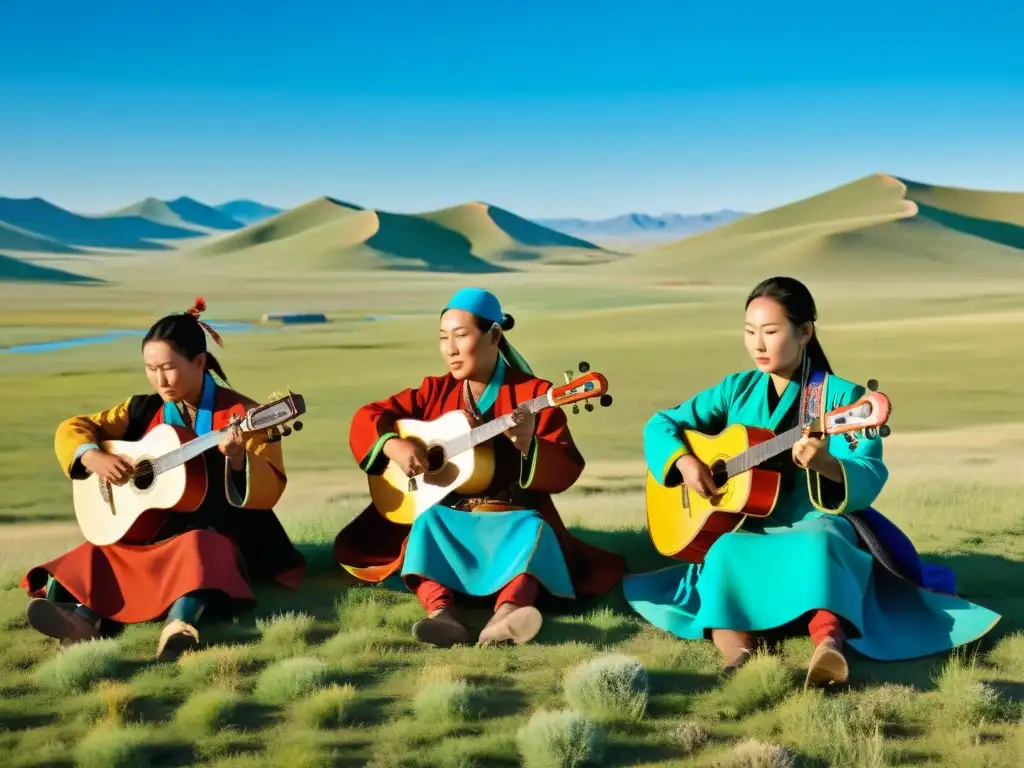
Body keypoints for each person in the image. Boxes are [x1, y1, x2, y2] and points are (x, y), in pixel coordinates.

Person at [622, 276, 1001, 686]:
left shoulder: (842, 399)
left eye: (770, 332)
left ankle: (829, 647)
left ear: (805, 332)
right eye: (750, 332)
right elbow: (662, 423)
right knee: (726, 549)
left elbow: (869, 470)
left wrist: (825, 465)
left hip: (815, 519)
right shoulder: (736, 389)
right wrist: (683, 462)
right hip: (747, 523)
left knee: (823, 543)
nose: (758, 345)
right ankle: (739, 655)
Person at [333, 287, 625, 648]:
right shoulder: (433, 391)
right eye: (443, 338)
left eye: (461, 336)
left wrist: (528, 444)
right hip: (450, 515)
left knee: (535, 533)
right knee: (426, 525)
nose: (450, 349)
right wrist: (393, 444)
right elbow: (369, 416)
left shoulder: (534, 394)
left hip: (511, 517)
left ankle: (506, 616)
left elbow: (565, 463)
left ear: (495, 336)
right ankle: (442, 615)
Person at [21, 298, 306, 660]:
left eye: (168, 368)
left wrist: (238, 460)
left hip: (219, 528)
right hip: (150, 526)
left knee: (201, 548)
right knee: (103, 547)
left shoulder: (243, 415)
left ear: (200, 363)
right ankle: (82, 620)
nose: (159, 379)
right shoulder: (140, 408)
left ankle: (180, 626)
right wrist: (91, 455)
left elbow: (269, 487)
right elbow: (74, 428)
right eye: (150, 368)